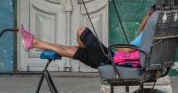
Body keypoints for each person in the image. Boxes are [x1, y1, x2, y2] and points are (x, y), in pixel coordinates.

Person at [20, 5, 157, 68]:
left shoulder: (148, 32)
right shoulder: (151, 32)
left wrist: (111, 48)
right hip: (110, 59)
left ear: (151, 15)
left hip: (110, 59)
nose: (147, 16)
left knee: (81, 31)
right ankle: (34, 42)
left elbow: (128, 50)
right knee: (73, 50)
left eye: (148, 14)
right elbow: (139, 32)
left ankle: (34, 42)